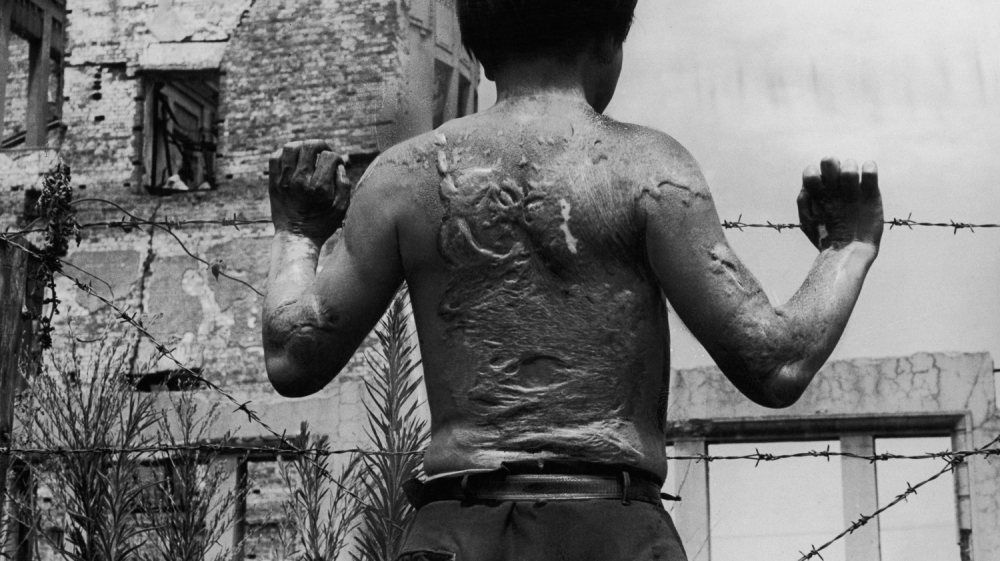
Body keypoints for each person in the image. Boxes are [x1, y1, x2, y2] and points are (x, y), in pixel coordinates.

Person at [262, 1, 884, 559]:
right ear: (609, 41)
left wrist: (296, 232)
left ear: (480, 47)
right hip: (610, 529)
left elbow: (294, 356)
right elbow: (775, 362)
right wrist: (847, 246)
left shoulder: (404, 177)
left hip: (456, 532)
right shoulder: (648, 169)